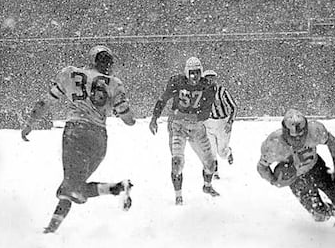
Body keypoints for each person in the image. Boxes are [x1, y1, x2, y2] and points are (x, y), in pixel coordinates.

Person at [20, 45, 135, 234]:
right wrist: (117, 109)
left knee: (71, 187)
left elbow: (46, 102)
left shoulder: (71, 74)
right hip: (99, 138)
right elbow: (129, 120)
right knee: (74, 186)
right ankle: (52, 229)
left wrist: (31, 122)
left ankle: (115, 188)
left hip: (76, 132)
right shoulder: (114, 83)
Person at [257, 109, 335, 223]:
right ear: (285, 133)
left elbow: (330, 141)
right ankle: (329, 210)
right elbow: (261, 167)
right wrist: (273, 180)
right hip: (295, 179)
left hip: (316, 167)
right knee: (320, 214)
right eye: (293, 138)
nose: (298, 141)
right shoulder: (274, 144)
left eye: (301, 136)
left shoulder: (315, 130)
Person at [149, 56, 219, 205]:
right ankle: (178, 196)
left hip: (196, 127)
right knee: (177, 162)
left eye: (197, 72)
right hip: (178, 125)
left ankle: (207, 186)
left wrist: (194, 116)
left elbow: (206, 111)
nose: (194, 77)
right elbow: (163, 99)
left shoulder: (207, 86)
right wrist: (154, 117)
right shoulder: (177, 82)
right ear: (186, 72)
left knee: (211, 163)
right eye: (191, 73)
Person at [202, 69, 237, 178]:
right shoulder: (201, 93)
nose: (210, 81)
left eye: (212, 78)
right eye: (208, 79)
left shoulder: (222, 91)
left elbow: (233, 107)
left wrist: (230, 122)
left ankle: (228, 153)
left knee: (221, 152)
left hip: (222, 122)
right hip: (208, 123)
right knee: (211, 150)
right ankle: (215, 171)